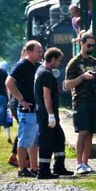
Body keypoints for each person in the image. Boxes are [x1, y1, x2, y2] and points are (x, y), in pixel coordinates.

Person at [65, 33, 96, 175]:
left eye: (93, 46)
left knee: (90, 133)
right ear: (81, 44)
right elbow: (67, 84)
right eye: (88, 45)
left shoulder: (95, 62)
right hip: (80, 101)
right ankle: (78, 163)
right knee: (82, 132)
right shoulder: (74, 63)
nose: (91, 48)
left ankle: (86, 163)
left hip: (93, 101)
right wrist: (82, 77)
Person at [34, 47, 73, 179]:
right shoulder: (45, 73)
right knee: (46, 141)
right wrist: (50, 115)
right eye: (59, 60)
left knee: (59, 138)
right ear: (53, 59)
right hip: (46, 114)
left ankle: (59, 167)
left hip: (47, 113)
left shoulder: (40, 70)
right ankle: (43, 171)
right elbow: (46, 95)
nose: (59, 63)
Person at [6, 41, 42, 178]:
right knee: (24, 140)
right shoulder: (21, 66)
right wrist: (21, 100)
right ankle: (21, 169)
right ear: (29, 52)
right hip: (26, 110)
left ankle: (34, 167)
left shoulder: (37, 66)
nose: (41, 53)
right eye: (38, 51)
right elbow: (9, 82)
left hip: (35, 108)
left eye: (41, 51)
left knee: (34, 141)